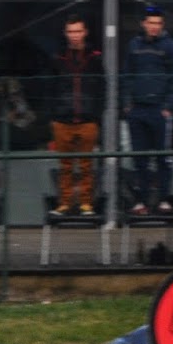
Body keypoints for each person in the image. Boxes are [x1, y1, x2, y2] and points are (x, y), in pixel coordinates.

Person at [123, 7, 173, 215]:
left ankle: (164, 200)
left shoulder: (171, 47)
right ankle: (141, 201)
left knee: (163, 158)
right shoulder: (134, 45)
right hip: (138, 109)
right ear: (144, 23)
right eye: (151, 23)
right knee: (139, 158)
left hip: (159, 110)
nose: (154, 27)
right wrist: (127, 103)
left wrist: (167, 106)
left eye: (158, 23)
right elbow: (126, 75)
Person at [48, 15, 105, 216]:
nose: (74, 35)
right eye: (71, 31)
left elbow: (102, 87)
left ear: (85, 32)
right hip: (62, 118)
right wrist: (53, 114)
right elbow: (49, 87)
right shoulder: (58, 58)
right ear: (65, 33)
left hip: (88, 119)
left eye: (78, 31)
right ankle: (64, 203)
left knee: (86, 164)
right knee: (64, 165)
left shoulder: (94, 58)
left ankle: (86, 203)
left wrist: (97, 115)